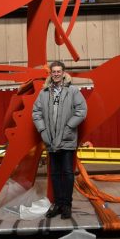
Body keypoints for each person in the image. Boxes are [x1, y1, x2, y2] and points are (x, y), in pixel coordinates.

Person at [32, 61, 87, 219]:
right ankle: (57, 204)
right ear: (50, 74)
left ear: (63, 73)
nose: (56, 74)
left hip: (67, 139)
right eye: (53, 71)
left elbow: (82, 110)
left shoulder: (73, 91)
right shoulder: (44, 93)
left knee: (68, 173)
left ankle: (66, 205)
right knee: (55, 173)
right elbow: (36, 112)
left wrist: (69, 127)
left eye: (58, 71)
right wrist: (42, 130)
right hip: (50, 140)